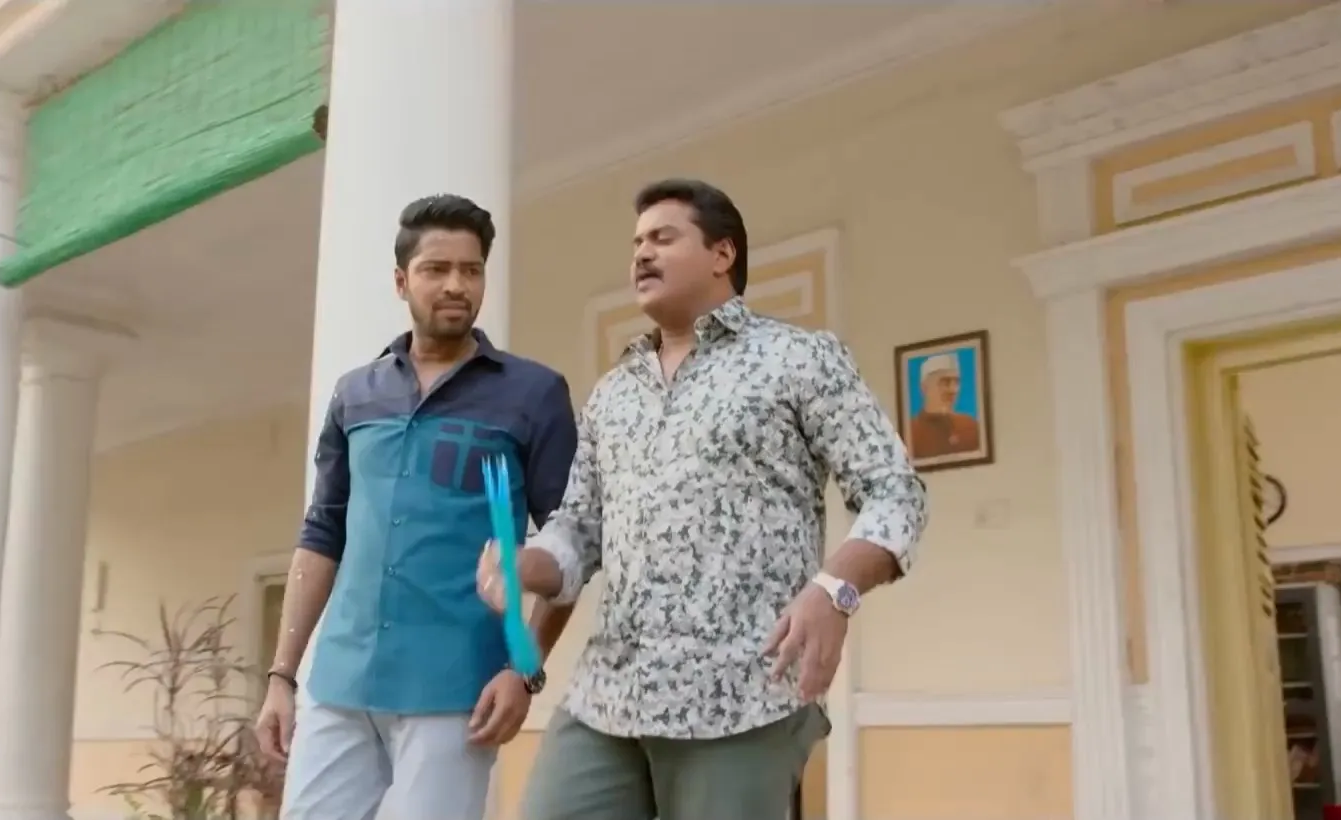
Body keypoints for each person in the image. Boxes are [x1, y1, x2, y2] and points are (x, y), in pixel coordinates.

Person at [478, 178, 929, 820]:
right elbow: (579, 530)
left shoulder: (798, 358)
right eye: (637, 243)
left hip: (741, 696)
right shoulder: (612, 394)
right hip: (608, 697)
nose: (641, 253)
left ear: (723, 253)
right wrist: (524, 563)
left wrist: (836, 590)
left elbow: (895, 490)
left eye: (663, 238)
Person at [253, 194, 581, 820]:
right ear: (402, 281)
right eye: (437, 269)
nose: (456, 284)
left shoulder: (533, 393)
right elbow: (322, 534)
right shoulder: (356, 393)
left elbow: (571, 545)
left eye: (471, 269)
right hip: (340, 682)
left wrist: (524, 670)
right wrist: (281, 676)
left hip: (456, 692)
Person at [906, 352, 981, 459]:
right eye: (945, 382)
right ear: (924, 387)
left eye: (956, 382)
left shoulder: (970, 427)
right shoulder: (910, 433)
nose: (953, 390)